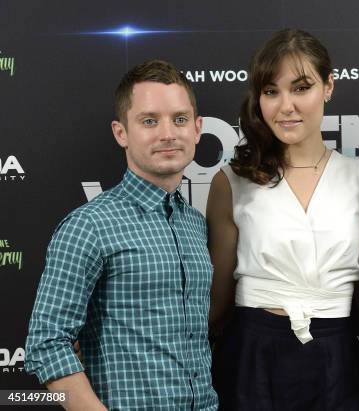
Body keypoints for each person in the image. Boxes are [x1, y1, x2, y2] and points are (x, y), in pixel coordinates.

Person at [206, 28, 359, 411]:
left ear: (328, 87)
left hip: (337, 356)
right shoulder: (232, 180)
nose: (285, 106)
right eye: (271, 91)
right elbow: (215, 307)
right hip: (251, 355)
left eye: (301, 87)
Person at [25, 60, 218, 411]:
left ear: (197, 128)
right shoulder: (89, 226)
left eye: (179, 119)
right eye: (149, 121)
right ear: (121, 133)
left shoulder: (194, 224)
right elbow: (46, 344)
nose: (167, 134)